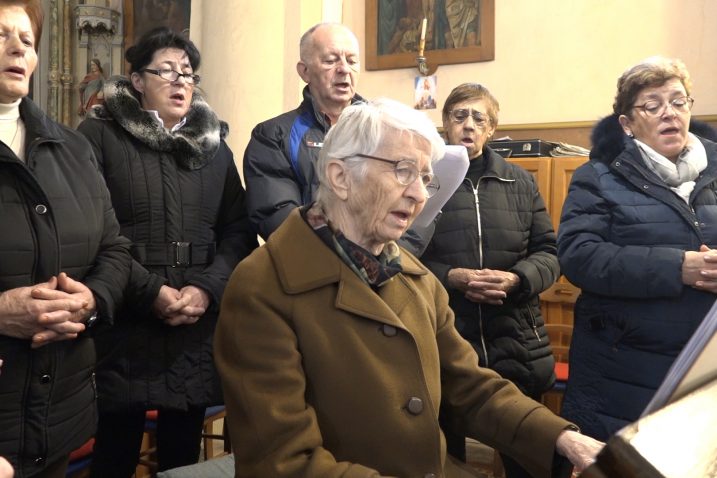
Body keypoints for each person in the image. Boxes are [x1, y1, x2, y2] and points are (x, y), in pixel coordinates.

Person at [215, 98, 603, 478]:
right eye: (403, 171)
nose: (419, 195)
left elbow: (469, 387)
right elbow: (283, 463)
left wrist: (563, 440)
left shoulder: (414, 276)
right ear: (339, 176)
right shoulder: (262, 288)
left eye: (425, 178)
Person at [77, 27, 258, 477]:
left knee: (182, 456)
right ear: (137, 80)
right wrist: (150, 290)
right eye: (167, 71)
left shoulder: (213, 148)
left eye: (188, 74)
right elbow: (94, 229)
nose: (181, 82)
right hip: (127, 316)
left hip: (195, 324)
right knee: (115, 452)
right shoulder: (100, 137)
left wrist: (207, 289)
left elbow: (238, 231)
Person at [0, 1, 132, 477]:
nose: (18, 47)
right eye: (0, 35)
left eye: (28, 40)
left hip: (60, 416)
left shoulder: (72, 147)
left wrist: (91, 299)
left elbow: (114, 249)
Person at [558, 56, 717, 441]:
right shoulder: (597, 177)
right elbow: (579, 255)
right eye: (653, 104)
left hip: (704, 368)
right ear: (627, 124)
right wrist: (677, 267)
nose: (670, 113)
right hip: (624, 375)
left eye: (679, 102)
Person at [420, 83, 559, 477]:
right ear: (445, 124)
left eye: (479, 117)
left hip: (515, 339)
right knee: (444, 461)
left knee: (527, 456)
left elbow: (549, 252)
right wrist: (451, 277)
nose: (468, 124)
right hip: (445, 337)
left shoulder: (520, 181)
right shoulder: (426, 181)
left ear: (492, 128)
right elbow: (404, 255)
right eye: (459, 115)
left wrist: (518, 279)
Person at [242, 22, 364, 240]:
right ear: (304, 71)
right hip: (313, 266)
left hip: (384, 266)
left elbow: (417, 208)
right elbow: (279, 217)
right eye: (330, 60)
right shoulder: (274, 136)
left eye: (352, 61)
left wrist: (390, 256)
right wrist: (347, 254)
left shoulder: (386, 130)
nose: (344, 69)